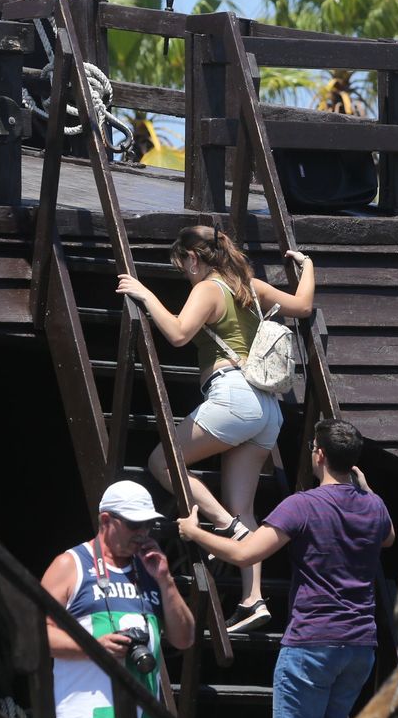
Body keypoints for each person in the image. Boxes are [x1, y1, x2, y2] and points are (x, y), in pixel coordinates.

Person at [115, 225, 316, 633]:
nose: (185, 274)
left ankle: (227, 528)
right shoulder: (250, 286)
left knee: (161, 462)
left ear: (193, 258)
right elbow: (304, 305)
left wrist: (144, 292)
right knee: (245, 505)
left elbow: (177, 333)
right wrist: (308, 265)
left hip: (234, 395)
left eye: (183, 266)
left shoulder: (208, 288)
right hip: (268, 410)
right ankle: (253, 599)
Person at [178, 418, 393, 718]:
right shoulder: (374, 507)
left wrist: (194, 532)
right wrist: (367, 490)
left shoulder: (302, 505)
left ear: (319, 455)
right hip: (359, 646)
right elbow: (388, 538)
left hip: (313, 640)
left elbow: (246, 554)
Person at [40, 480, 195, 718]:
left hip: (143, 716)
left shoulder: (151, 569)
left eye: (148, 525)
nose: (142, 533)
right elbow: (36, 634)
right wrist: (93, 647)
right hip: (83, 715)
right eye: (133, 524)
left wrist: (166, 580)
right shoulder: (71, 564)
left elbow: (184, 638)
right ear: (106, 521)